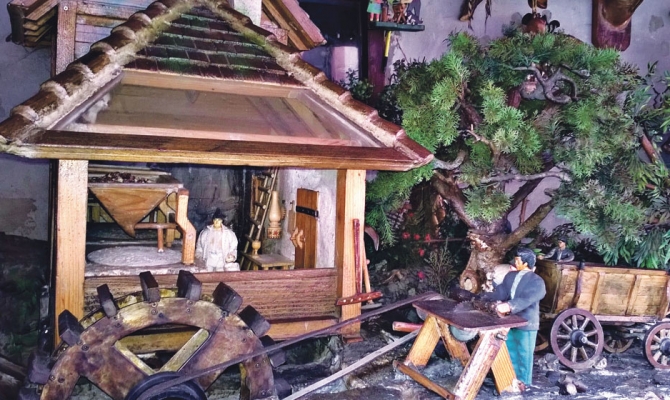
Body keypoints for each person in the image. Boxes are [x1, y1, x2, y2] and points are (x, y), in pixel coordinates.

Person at [481, 247, 546, 389]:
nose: (515, 263)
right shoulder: (510, 277)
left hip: (527, 323)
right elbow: (501, 293)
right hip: (510, 321)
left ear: (526, 263)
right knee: (510, 351)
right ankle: (510, 379)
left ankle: (524, 383)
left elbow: (529, 298)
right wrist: (484, 297)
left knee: (524, 354)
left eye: (518, 260)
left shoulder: (537, 281)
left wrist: (510, 306)